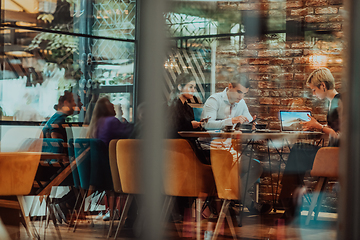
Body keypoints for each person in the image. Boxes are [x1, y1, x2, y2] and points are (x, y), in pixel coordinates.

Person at [278, 67, 341, 224]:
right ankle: (289, 203)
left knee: (297, 151)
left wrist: (318, 126)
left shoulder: (339, 102)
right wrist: (315, 126)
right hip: (333, 154)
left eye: (314, 90)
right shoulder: (334, 102)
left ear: (323, 86)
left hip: (337, 157)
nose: (314, 94)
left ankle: (287, 202)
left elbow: (340, 135)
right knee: (298, 152)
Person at [201, 74, 270, 215]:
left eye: (244, 94)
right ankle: (249, 203)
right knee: (236, 168)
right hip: (211, 149)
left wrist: (252, 125)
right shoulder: (214, 100)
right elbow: (206, 124)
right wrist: (231, 121)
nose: (241, 97)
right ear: (230, 86)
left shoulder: (241, 103)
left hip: (230, 149)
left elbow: (248, 121)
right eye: (239, 92)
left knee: (256, 167)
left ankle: (230, 199)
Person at [168, 73, 210, 164]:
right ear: (180, 87)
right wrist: (191, 125)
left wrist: (200, 125)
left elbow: (190, 129)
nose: (193, 91)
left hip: (188, 144)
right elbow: (172, 129)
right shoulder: (173, 106)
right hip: (178, 147)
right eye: (190, 87)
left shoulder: (187, 107)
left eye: (194, 88)